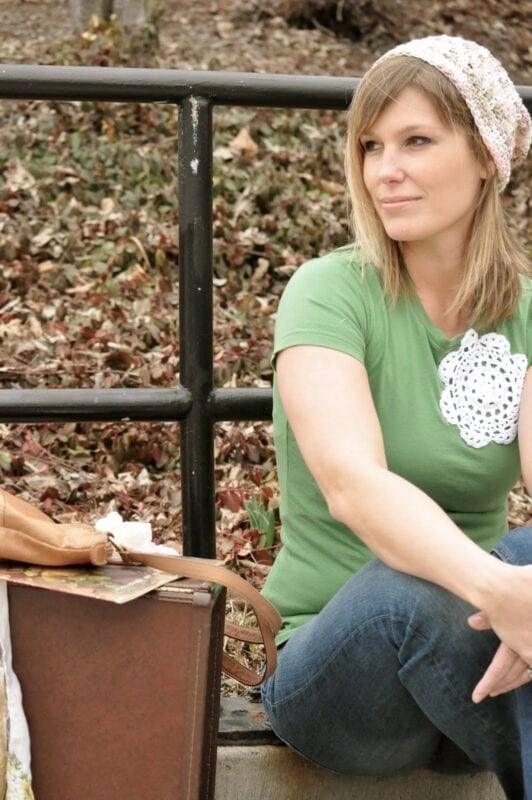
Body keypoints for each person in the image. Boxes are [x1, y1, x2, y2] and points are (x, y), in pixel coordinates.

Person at [260, 35, 532, 800]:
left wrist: (518, 600)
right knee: (406, 593)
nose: (386, 170)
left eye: (417, 141)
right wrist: (501, 592)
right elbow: (352, 484)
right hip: (341, 668)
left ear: (485, 156)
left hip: (482, 658)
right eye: (371, 146)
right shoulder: (328, 292)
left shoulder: (529, 312)